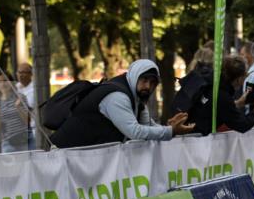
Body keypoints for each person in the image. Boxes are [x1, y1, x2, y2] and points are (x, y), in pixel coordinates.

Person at [51, 59, 194, 148]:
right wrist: (171, 131)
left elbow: (147, 126)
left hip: (82, 155)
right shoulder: (117, 96)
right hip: (66, 154)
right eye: (144, 80)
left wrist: (170, 128)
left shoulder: (136, 98)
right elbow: (135, 132)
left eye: (152, 83)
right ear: (134, 77)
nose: (148, 86)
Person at [174, 55, 254, 134]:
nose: (244, 80)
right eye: (244, 76)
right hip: (193, 141)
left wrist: (237, 104)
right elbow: (242, 125)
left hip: (186, 132)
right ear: (238, 78)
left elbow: (216, 107)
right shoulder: (222, 95)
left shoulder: (212, 82)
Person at [0, 72, 31, 153]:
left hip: (23, 141)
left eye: (6, 80)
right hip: (7, 143)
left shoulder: (20, 97)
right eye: (0, 81)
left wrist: (18, 107)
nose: (3, 84)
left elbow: (27, 121)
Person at [15, 62, 37, 149]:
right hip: (16, 132)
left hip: (32, 130)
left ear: (31, 74)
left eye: (24, 72)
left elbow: (30, 108)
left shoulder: (35, 90)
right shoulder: (15, 87)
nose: (21, 75)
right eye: (19, 72)